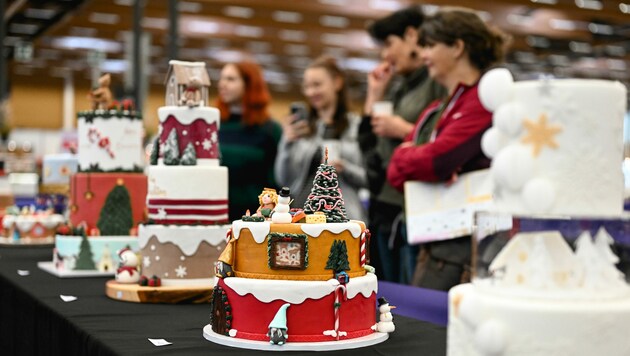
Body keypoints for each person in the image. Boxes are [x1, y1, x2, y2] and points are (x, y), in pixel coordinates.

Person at [387, 7, 509, 291]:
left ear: (457, 47)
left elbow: (436, 161)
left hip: (465, 250)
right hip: (433, 239)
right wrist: (410, 158)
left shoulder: (484, 99)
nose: (424, 55)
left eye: (430, 45)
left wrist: (411, 156)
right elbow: (395, 175)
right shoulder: (437, 109)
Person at [360, 6, 445, 283]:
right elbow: (369, 146)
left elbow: (442, 141)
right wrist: (375, 94)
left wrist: (402, 130)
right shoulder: (401, 86)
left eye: (389, 44)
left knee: (407, 297)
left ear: (411, 36)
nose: (385, 55)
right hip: (385, 205)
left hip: (411, 207)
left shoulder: (434, 83)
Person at [275, 55, 367, 222]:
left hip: (344, 219)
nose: (310, 92)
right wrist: (286, 143)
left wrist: (344, 167)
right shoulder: (302, 129)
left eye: (317, 85)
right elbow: (283, 179)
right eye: (307, 86)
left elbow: (368, 178)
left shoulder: (356, 126)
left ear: (337, 83)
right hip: (303, 218)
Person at [216, 61, 282, 221]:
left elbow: (277, 180)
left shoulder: (270, 130)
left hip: (255, 220)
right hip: (217, 216)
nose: (222, 84)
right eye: (222, 78)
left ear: (249, 84)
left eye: (231, 79)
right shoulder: (213, 125)